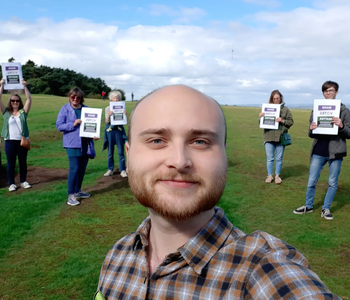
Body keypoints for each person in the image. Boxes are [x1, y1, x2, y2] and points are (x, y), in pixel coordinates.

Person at [96, 85, 339, 299]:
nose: (179, 161)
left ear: (224, 157)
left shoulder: (264, 269)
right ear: (128, 156)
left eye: (200, 141)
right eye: (157, 140)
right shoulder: (117, 256)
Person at [294, 81, 350, 220]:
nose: (328, 93)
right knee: (311, 180)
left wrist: (341, 126)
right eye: (325, 91)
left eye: (330, 90)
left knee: (332, 182)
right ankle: (308, 205)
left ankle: (326, 208)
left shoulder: (344, 110)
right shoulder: (317, 109)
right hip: (319, 151)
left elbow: (349, 133)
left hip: (336, 152)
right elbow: (311, 133)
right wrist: (311, 129)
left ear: (336, 92)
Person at [56, 87, 96, 206]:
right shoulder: (65, 109)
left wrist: (94, 134)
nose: (75, 99)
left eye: (78, 97)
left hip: (85, 144)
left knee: (82, 169)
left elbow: (92, 125)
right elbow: (59, 126)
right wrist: (72, 124)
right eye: (73, 97)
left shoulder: (86, 109)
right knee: (74, 168)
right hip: (71, 143)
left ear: (81, 98)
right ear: (69, 97)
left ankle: (78, 190)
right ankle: (70, 195)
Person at [0, 78, 32, 192]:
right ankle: (11, 183)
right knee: (11, 163)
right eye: (12, 101)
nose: (15, 102)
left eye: (17, 100)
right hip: (10, 141)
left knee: (22, 162)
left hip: (22, 140)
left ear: (19, 102)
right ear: (10, 102)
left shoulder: (23, 112)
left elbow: (29, 99)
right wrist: (1, 85)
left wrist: (24, 86)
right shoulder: (6, 112)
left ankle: (23, 181)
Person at [259, 90, 294, 184]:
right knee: (269, 158)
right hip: (268, 137)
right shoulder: (266, 108)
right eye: (274, 98)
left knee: (279, 158)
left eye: (277, 98)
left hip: (280, 137)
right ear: (271, 99)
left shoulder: (286, 110)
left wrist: (282, 120)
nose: (276, 100)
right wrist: (261, 117)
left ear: (280, 98)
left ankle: (277, 176)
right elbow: (261, 123)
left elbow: (291, 122)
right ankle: (269, 176)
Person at [102, 90, 128, 178]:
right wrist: (109, 115)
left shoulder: (121, 107)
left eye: (117, 98)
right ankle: (110, 169)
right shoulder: (107, 108)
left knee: (121, 151)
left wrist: (125, 114)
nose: (116, 100)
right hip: (110, 131)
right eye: (114, 98)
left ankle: (123, 170)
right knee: (110, 152)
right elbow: (107, 121)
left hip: (118, 131)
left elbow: (123, 121)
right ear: (111, 99)